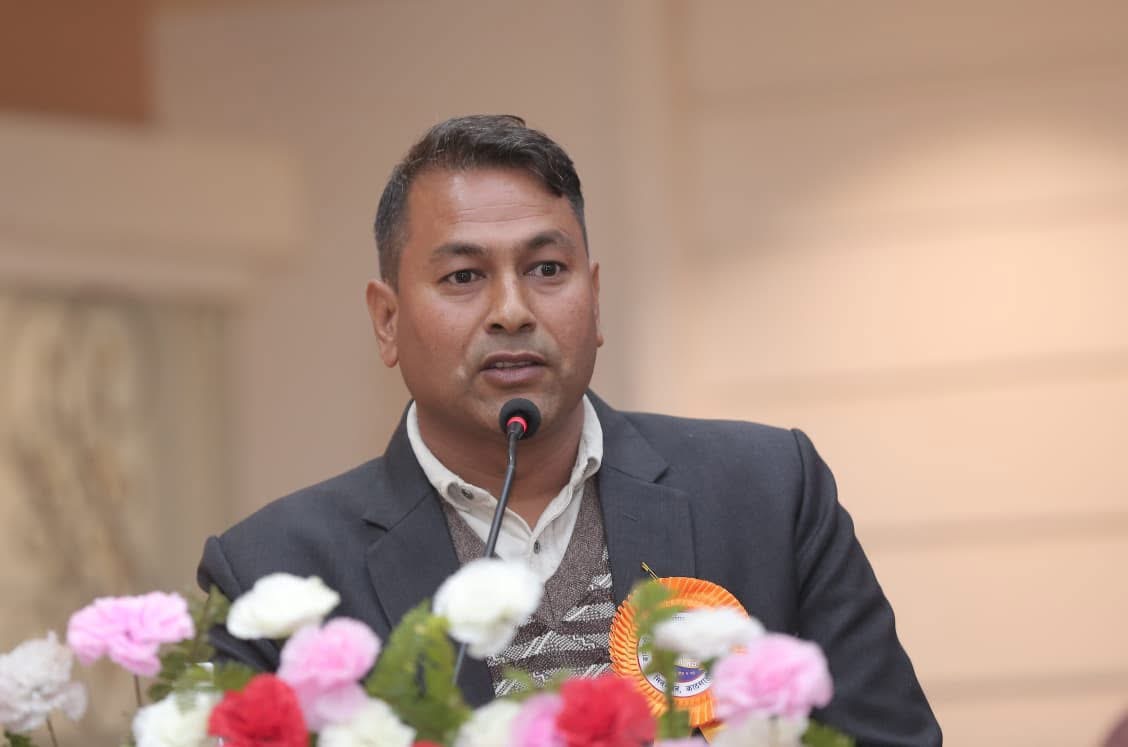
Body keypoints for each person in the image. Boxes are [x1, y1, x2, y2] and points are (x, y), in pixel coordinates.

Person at [198, 114, 942, 744]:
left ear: (595, 296)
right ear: (387, 320)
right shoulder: (272, 575)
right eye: (464, 277)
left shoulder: (768, 490)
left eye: (547, 269)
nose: (512, 310)